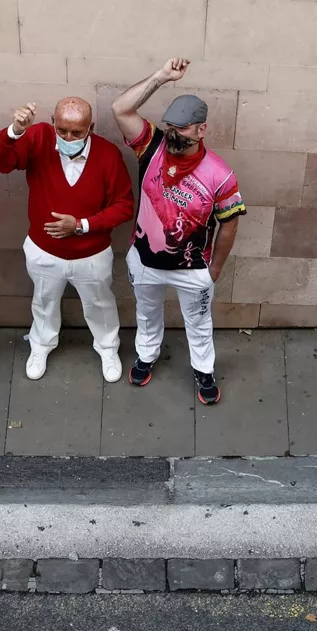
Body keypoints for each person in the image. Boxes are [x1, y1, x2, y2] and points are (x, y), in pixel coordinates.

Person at [111, 56, 247, 406]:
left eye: (183, 128)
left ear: (201, 129)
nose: (173, 133)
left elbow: (230, 222)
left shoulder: (220, 173)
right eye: (170, 125)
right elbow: (121, 109)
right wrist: (160, 77)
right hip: (144, 261)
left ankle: (203, 370)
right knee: (146, 313)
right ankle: (146, 354)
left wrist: (214, 269)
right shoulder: (151, 146)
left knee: (198, 324)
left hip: (192, 270)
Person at [0, 97, 134, 383]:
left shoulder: (107, 154)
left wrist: (81, 225)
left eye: (77, 133)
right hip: (44, 250)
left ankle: (107, 347)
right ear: (53, 122)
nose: (68, 137)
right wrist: (15, 131)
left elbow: (124, 205)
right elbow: (0, 161)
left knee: (100, 303)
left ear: (91, 127)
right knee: (43, 302)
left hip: (92, 254)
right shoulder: (38, 137)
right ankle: (41, 345)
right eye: (62, 130)